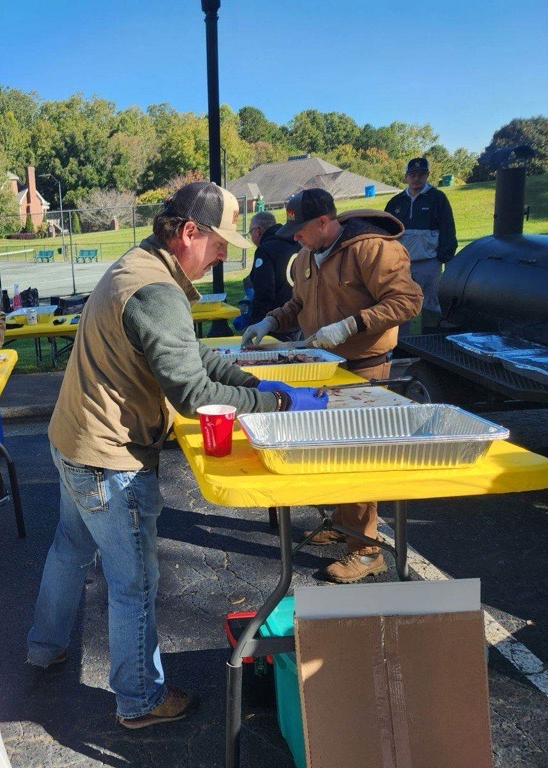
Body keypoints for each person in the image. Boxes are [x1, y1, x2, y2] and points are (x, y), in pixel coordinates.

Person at [27, 182, 328, 730]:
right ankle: (139, 699)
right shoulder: (157, 291)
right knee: (134, 585)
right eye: (220, 242)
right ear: (190, 232)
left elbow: (192, 354)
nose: (224, 254)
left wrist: (254, 382)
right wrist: (280, 402)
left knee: (69, 549)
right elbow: (194, 394)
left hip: (73, 440)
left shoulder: (141, 264)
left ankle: (44, 647)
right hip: (109, 459)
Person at [242, 189, 423, 583]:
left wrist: (351, 325)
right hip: (323, 369)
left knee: (357, 456)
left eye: (301, 229)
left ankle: (367, 550)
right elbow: (298, 304)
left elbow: (408, 301)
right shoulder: (306, 255)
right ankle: (344, 524)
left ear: (324, 221)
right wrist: (270, 321)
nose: (295, 237)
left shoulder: (373, 248)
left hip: (364, 368)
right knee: (331, 453)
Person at [384, 157, 458, 334]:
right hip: (401, 264)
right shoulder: (396, 202)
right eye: (412, 174)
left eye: (420, 174)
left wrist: (445, 257)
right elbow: (385, 232)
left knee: (431, 304)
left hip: (429, 262)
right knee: (401, 302)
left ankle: (430, 338)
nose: (416, 178)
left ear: (427, 175)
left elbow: (448, 228)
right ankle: (401, 340)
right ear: (406, 177)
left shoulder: (438, 198)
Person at [246, 211, 299, 339]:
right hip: (299, 317)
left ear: (257, 231)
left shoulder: (265, 250)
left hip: (275, 322)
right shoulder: (298, 244)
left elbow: (264, 291)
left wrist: (255, 322)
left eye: (250, 232)